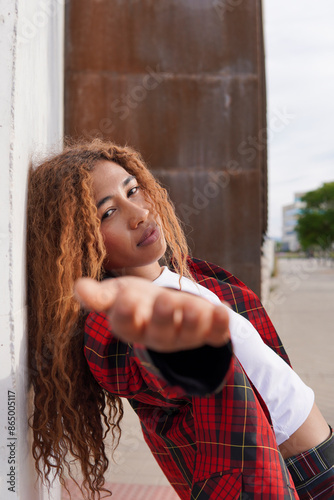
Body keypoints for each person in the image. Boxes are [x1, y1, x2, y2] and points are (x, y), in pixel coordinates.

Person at [27, 139, 334, 500]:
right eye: (107, 213)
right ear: (80, 240)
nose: (138, 213)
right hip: (292, 481)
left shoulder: (194, 276)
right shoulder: (112, 325)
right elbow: (153, 363)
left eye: (133, 190)